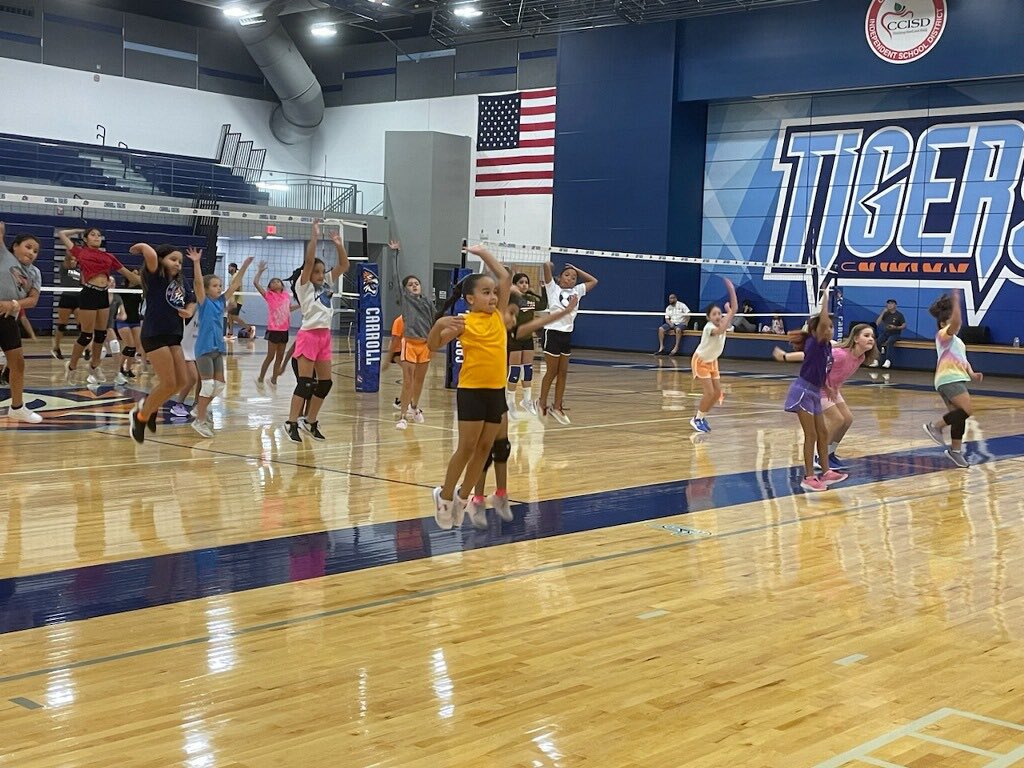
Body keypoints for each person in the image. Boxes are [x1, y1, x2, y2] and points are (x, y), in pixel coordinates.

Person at [464, 292, 580, 529]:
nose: (515, 318)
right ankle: (475, 499)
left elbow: (542, 322)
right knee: (481, 452)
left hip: (495, 395)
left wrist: (566, 312)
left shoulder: (516, 333)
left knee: (501, 449)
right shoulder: (479, 325)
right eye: (512, 313)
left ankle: (500, 494)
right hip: (475, 393)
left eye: (517, 314)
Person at [426, 245, 511, 529]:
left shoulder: (498, 316)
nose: (493, 296)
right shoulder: (463, 322)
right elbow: (433, 345)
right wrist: (438, 325)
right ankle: (445, 496)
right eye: (486, 293)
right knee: (467, 447)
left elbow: (503, 277)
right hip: (472, 391)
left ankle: (463, 498)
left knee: (485, 448)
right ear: (470, 299)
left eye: (494, 293)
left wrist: (484, 253)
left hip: (496, 391)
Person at [773, 324, 878, 470]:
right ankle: (818, 456)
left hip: (833, 389)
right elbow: (811, 356)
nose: (871, 339)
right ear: (855, 338)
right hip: (818, 388)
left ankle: (829, 453)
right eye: (866, 336)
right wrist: (785, 356)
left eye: (872, 336)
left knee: (847, 419)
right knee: (837, 419)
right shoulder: (840, 355)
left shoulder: (860, 357)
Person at [283, 220, 349, 443]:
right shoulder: (304, 286)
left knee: (326, 383)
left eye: (322, 271)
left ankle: (310, 421)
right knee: (305, 383)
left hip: (325, 337)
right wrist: (314, 237)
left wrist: (339, 244)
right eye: (317, 272)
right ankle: (291, 421)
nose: (321, 274)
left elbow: (344, 266)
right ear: (308, 274)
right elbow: (309, 261)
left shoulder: (327, 283)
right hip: (309, 336)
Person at [127, 243, 196, 444]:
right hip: (154, 334)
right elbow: (150, 254)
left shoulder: (182, 282)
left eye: (180, 262)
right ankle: (140, 416)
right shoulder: (156, 275)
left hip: (174, 335)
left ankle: (151, 405)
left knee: (181, 382)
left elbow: (191, 300)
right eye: (173, 259)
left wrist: (189, 312)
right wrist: (141, 246)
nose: (178, 264)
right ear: (162, 260)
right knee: (168, 383)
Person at [56, 227, 141, 385]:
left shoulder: (108, 256)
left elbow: (129, 275)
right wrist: (78, 230)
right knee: (86, 335)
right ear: (86, 239)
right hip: (89, 293)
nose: (96, 237)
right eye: (92, 235)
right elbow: (61, 234)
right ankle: (72, 367)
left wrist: (149, 282)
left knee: (101, 335)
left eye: (98, 235)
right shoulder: (81, 252)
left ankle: (94, 366)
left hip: (103, 294)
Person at [784, 287, 849, 492]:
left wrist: (828, 388)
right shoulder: (816, 342)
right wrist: (825, 299)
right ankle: (809, 476)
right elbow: (821, 320)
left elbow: (821, 371)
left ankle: (827, 472)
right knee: (810, 435)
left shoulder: (828, 348)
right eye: (827, 327)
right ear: (817, 330)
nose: (830, 329)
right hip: (802, 392)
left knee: (822, 432)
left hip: (814, 391)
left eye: (831, 327)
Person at [190, 252, 252, 437]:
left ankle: (198, 409)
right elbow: (199, 283)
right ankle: (199, 420)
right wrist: (196, 262)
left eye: (220, 286)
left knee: (219, 386)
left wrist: (245, 266)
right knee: (208, 386)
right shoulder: (204, 301)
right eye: (215, 286)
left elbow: (235, 284)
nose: (219, 288)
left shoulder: (221, 301)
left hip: (218, 348)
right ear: (208, 289)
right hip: (204, 348)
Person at [923, 290, 981, 468]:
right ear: (942, 323)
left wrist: (971, 373)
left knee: (959, 417)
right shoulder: (943, 336)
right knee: (967, 410)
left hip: (954, 378)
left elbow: (963, 360)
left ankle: (955, 452)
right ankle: (935, 426)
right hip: (949, 379)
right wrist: (957, 304)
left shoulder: (957, 341)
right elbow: (956, 322)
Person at [537, 261, 598, 424]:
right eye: (567, 275)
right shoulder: (553, 288)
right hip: (552, 332)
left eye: (574, 277)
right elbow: (546, 268)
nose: (571, 278)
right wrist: (548, 264)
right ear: (560, 277)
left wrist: (577, 268)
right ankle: (541, 402)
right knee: (552, 371)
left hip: (567, 334)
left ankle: (557, 406)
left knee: (563, 372)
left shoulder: (577, 291)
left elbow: (594, 281)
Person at [0, 223, 43, 424]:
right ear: (15, 246)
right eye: (28, 247)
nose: (32, 252)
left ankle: (17, 408)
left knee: (17, 364)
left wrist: (14, 304)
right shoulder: (4, 256)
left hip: (8, 319)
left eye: (35, 250)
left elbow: (33, 300)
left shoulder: (34, 272)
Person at [393, 242, 438, 430]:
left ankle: (415, 407)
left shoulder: (428, 303)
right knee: (408, 381)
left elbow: (436, 322)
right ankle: (402, 416)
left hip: (425, 345)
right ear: (406, 290)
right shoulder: (406, 300)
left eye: (416, 284)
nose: (414, 286)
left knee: (420, 381)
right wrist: (396, 254)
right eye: (410, 285)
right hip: (409, 344)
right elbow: (397, 279)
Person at [689, 277, 737, 434]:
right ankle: (696, 419)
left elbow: (733, 311)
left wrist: (731, 301)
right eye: (714, 314)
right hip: (701, 361)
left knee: (717, 394)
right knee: (709, 393)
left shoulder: (723, 324)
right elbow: (722, 329)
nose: (718, 316)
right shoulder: (709, 327)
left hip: (713, 362)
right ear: (709, 317)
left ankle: (701, 417)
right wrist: (730, 308)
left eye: (719, 313)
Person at [506, 273, 546, 418]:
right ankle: (510, 401)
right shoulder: (511, 299)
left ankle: (527, 400)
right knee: (515, 371)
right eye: (521, 282)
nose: (524, 285)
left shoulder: (530, 299)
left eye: (526, 282)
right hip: (514, 337)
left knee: (528, 369)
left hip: (528, 337)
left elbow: (543, 304)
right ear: (515, 284)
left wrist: (541, 290)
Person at [253, 261, 297, 387]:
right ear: (270, 287)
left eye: (278, 281)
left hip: (284, 330)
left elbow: (289, 309)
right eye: (273, 282)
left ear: (282, 285)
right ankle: (261, 378)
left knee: (280, 357)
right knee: (270, 356)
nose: (275, 282)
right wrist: (260, 271)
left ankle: (274, 379)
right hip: (273, 330)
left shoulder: (286, 296)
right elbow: (256, 283)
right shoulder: (269, 295)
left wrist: (300, 305)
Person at [114, 270, 143, 385]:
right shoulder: (121, 289)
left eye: (138, 274)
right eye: (134, 273)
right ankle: (120, 367)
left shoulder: (140, 289)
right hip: (123, 321)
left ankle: (128, 369)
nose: (136, 276)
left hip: (135, 320)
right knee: (130, 345)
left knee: (135, 346)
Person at [52, 249, 81, 360]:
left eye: (75, 260)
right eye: (72, 259)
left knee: (82, 326)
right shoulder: (64, 268)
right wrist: (73, 251)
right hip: (66, 297)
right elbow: (68, 258)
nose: (73, 261)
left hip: (78, 298)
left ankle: (86, 348)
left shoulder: (79, 270)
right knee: (62, 325)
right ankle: (56, 347)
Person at [871, 299, 906, 369]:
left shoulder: (899, 315)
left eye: (891, 303)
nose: (889, 305)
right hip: (886, 333)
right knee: (877, 341)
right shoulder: (886, 314)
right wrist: (882, 313)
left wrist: (895, 327)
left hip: (895, 333)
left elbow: (904, 326)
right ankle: (876, 360)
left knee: (890, 341)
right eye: (888, 304)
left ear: (895, 305)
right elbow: (877, 323)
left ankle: (888, 360)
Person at [223, 262, 253, 340]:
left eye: (230, 267)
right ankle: (230, 333)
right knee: (229, 317)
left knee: (234, 316)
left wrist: (234, 301)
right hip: (232, 300)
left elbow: (237, 287)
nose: (228, 269)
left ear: (234, 268)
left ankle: (249, 328)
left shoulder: (236, 276)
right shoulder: (232, 276)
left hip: (237, 300)